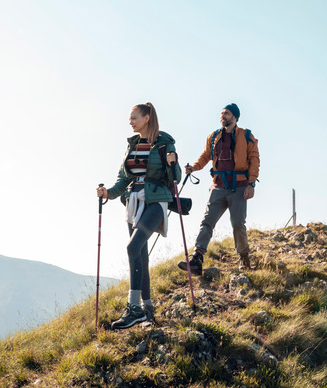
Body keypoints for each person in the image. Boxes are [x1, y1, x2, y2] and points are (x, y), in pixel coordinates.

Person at [97, 102, 181, 329]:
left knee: (132, 248)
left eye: (134, 118)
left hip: (156, 201)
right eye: (130, 119)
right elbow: (123, 179)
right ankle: (148, 308)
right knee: (141, 256)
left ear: (147, 118)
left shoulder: (165, 142)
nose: (130, 122)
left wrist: (173, 164)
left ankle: (133, 309)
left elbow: (176, 176)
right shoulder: (132, 145)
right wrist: (108, 193)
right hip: (133, 201)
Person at [178, 103, 260, 275]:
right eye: (222, 113)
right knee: (207, 222)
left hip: (239, 187)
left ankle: (244, 258)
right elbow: (206, 155)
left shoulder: (246, 136)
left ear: (235, 117)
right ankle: (197, 259)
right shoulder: (214, 136)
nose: (223, 116)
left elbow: (254, 159)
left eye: (227, 114)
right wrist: (194, 167)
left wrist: (251, 184)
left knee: (238, 224)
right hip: (218, 186)